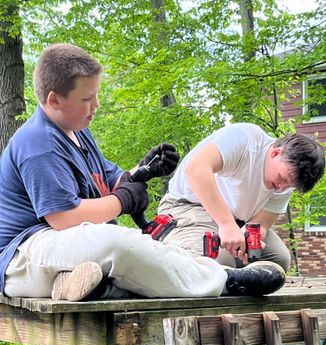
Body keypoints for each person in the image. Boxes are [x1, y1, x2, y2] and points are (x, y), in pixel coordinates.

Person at [0, 44, 286, 302]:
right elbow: (63, 217)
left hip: (58, 248)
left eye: (96, 95)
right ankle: (225, 280)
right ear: (54, 100)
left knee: (136, 242)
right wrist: (122, 201)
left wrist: (141, 172)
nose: (96, 105)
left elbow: (111, 181)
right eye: (87, 99)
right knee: (115, 242)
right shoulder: (39, 144)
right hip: (21, 256)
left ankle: (95, 286)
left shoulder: (76, 131)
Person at [158, 123, 325, 270]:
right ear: (275, 153)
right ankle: (173, 244)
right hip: (188, 205)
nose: (282, 187)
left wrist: (249, 239)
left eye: (290, 186)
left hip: (234, 220)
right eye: (282, 178)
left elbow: (260, 225)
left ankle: (228, 272)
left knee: (278, 260)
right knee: (218, 260)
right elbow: (195, 168)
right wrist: (227, 225)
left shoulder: (286, 183)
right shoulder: (245, 138)